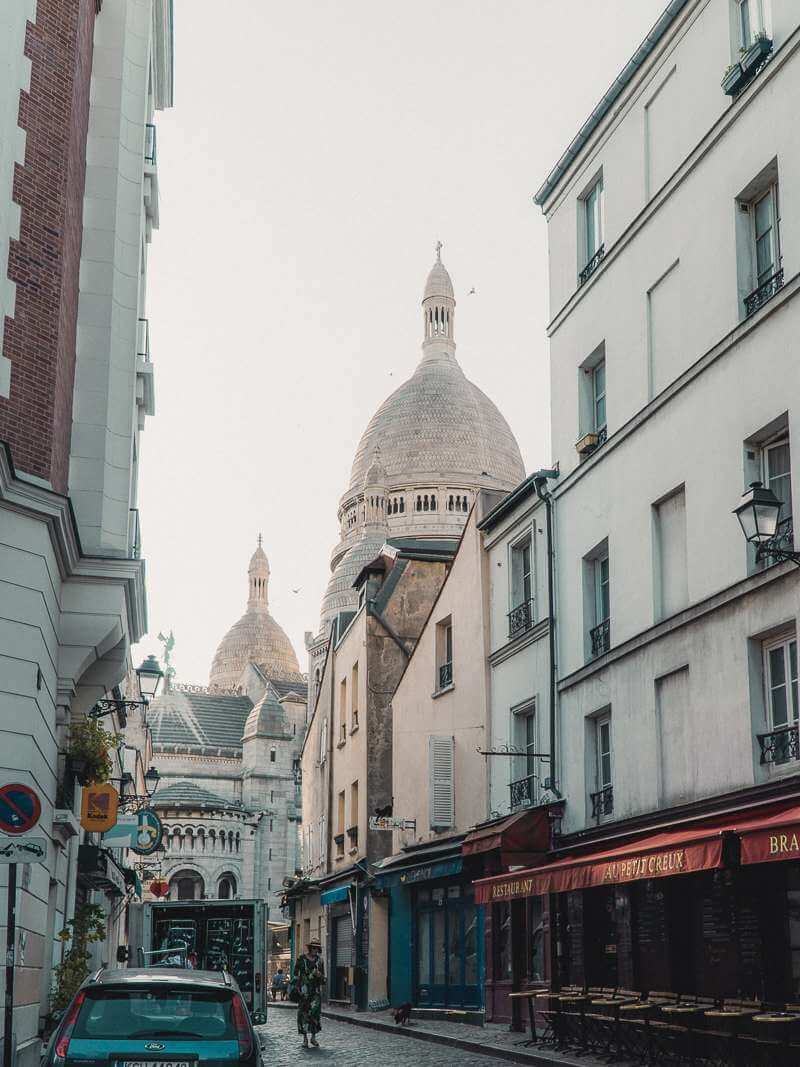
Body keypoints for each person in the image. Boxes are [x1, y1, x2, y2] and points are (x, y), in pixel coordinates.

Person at [294, 939, 325, 1048]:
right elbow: (295, 974)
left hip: (315, 992)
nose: (315, 950)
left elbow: (323, 980)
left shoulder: (320, 961)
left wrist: (319, 975)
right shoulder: (301, 959)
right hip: (304, 991)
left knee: (314, 1013)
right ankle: (305, 1039)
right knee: (303, 1014)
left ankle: (313, 1037)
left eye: (317, 948)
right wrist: (297, 987)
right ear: (310, 948)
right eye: (313, 948)